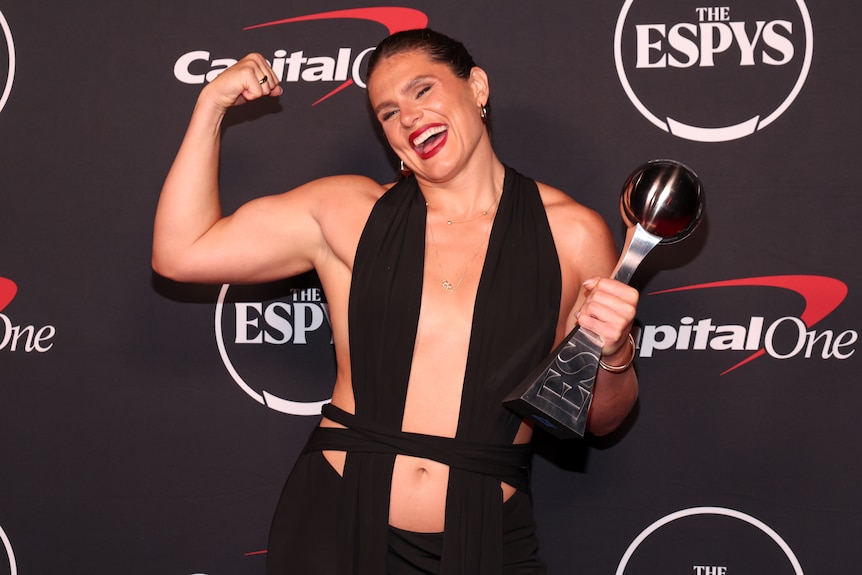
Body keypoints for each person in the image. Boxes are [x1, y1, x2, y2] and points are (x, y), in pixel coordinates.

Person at [153, 28, 638, 575]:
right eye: (387, 112)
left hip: (487, 540)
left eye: (423, 90)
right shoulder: (346, 210)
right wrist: (210, 105)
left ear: (476, 87)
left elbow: (600, 418)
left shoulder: (573, 236)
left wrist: (615, 350)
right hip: (333, 523)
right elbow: (181, 253)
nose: (407, 117)